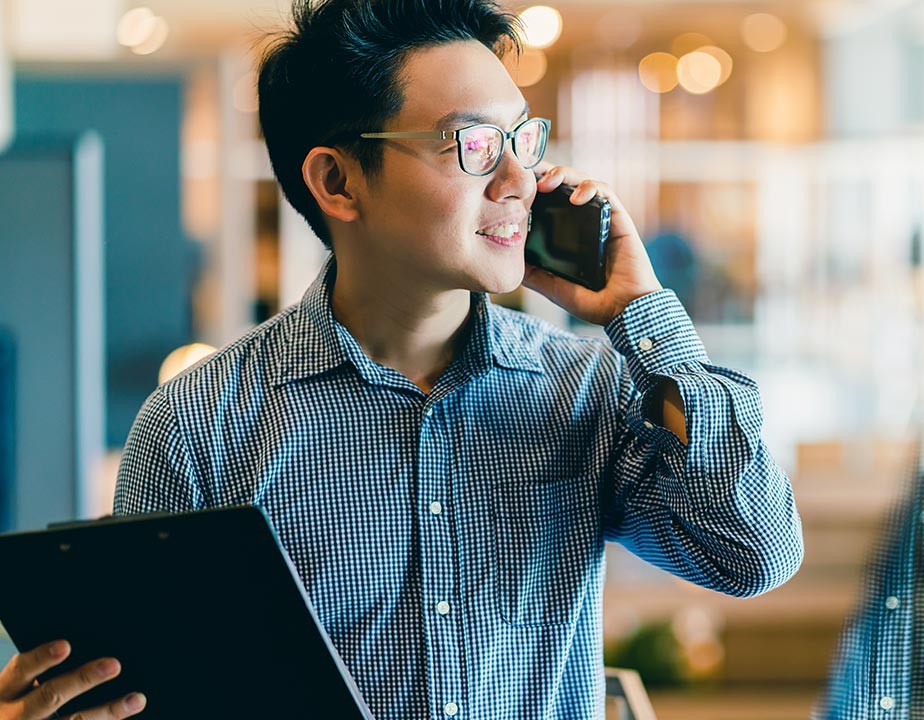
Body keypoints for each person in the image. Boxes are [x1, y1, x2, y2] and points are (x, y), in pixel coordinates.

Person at [0, 1, 805, 718]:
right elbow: (155, 686)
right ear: (338, 181)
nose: (523, 180)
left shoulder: (584, 388)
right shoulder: (201, 424)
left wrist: (644, 316)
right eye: (476, 145)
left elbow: (754, 555)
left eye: (524, 139)